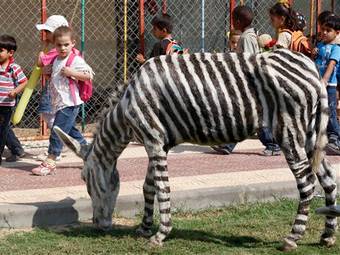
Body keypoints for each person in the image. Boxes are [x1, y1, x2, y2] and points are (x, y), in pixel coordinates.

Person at [211, 5, 280, 156]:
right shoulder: (249, 35)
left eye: (233, 20)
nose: (232, 23)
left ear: (238, 21)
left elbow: (249, 61)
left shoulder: (246, 37)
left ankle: (273, 144)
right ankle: (228, 144)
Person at [31, 26, 93, 176]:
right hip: (59, 102)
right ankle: (91, 155)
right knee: (70, 132)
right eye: (59, 45)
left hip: (70, 102)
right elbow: (55, 77)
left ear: (73, 43)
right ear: (55, 45)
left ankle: (51, 161)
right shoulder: (56, 59)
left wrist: (72, 72)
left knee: (57, 131)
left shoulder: (75, 59)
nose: (63, 48)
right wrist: (47, 73)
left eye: (66, 44)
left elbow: (89, 75)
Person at [35, 15, 69, 128]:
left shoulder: (55, 50)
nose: (45, 34)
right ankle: (61, 133)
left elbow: (40, 62)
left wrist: (42, 48)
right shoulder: (64, 50)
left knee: (47, 112)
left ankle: (59, 134)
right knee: (54, 114)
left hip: (54, 88)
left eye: (47, 31)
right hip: (59, 86)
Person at [0, 35, 28, 165]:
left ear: (10, 53)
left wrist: (15, 91)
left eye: (0, 50)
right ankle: (17, 149)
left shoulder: (14, 68)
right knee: (4, 129)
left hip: (6, 105)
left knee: (2, 130)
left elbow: (24, 82)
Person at [315, 15, 340, 154]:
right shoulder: (320, 45)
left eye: (328, 30)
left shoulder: (337, 48)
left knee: (330, 112)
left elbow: (331, 64)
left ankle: (336, 137)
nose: (324, 32)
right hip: (318, 83)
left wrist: (324, 79)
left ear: (337, 33)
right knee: (320, 111)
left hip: (329, 85)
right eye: (322, 29)